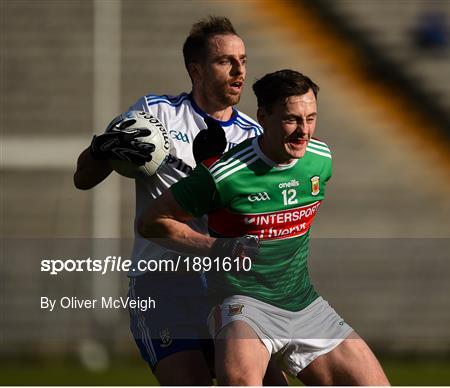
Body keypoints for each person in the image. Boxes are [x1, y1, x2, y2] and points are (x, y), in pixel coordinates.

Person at [138, 69, 390, 385]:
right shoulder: (225, 174)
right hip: (245, 307)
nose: (304, 131)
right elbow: (151, 222)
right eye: (291, 119)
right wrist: (218, 248)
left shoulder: (320, 159)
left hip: (304, 304)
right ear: (263, 116)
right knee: (241, 381)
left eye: (310, 118)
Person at [74, 16, 286, 386]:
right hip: (164, 287)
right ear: (196, 70)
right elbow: (83, 178)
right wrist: (101, 151)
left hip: (230, 288)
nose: (239, 71)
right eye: (225, 61)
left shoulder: (254, 137)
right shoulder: (155, 114)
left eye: (243, 60)